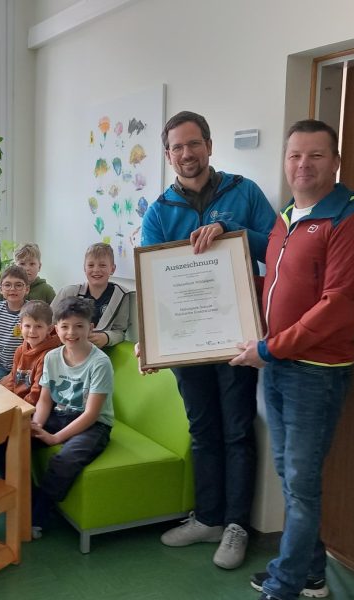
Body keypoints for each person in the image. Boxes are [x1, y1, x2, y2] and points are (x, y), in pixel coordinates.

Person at [230, 120, 354, 600]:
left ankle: (286, 585)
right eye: (295, 155)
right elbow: (272, 285)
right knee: (291, 476)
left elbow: (338, 305)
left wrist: (269, 348)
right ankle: (312, 574)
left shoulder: (351, 222)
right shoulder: (286, 216)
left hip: (315, 372)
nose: (303, 165)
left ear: (336, 161)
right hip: (276, 365)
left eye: (316, 155)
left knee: (301, 483)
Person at [139, 111, 276, 570]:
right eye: (177, 147)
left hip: (238, 337)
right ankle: (209, 518)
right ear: (167, 155)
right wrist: (150, 341)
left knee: (237, 429)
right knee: (203, 431)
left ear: (209, 146)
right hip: (186, 343)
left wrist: (235, 235)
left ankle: (237, 524)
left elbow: (279, 248)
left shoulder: (244, 191)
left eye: (193, 144)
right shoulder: (159, 212)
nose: (186, 154)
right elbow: (154, 284)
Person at [31, 297, 114, 539]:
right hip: (59, 415)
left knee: (64, 459)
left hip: (93, 425)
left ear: (91, 327)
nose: (71, 332)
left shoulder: (100, 363)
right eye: (65, 326)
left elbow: (91, 413)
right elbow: (45, 400)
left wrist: (55, 438)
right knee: (10, 439)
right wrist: (36, 425)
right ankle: (26, 500)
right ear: (55, 328)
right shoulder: (52, 357)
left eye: (79, 326)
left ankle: (39, 514)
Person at [0, 300, 61, 477]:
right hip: (19, 407)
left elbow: (37, 394)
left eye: (38, 326)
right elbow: (14, 382)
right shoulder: (20, 350)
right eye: (28, 326)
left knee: (3, 439)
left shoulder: (49, 355)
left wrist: (16, 411)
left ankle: (23, 493)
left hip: (39, 411)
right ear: (20, 326)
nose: (32, 331)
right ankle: (9, 486)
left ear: (49, 328)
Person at [52, 242, 130, 348]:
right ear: (84, 268)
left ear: (112, 269)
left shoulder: (122, 295)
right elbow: (50, 322)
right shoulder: (68, 292)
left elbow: (120, 331)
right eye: (91, 265)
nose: (96, 270)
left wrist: (106, 338)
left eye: (102, 265)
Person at [0, 265, 30, 381]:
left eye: (18, 285)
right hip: (2, 366)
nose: (12, 289)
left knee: (18, 392)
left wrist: (12, 376)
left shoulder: (31, 311)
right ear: (1, 289)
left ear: (27, 289)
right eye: (7, 285)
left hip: (25, 367)